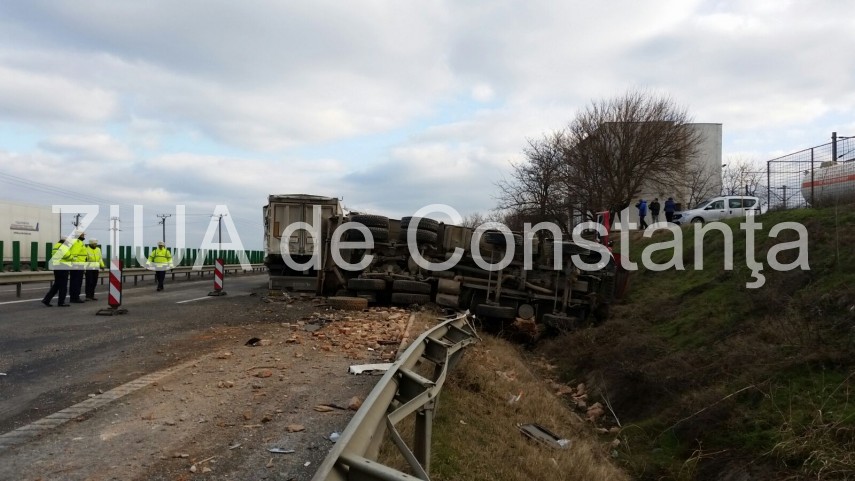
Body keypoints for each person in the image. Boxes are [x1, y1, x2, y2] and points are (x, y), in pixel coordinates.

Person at [42, 237, 74, 307]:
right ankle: (61, 302)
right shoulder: (63, 246)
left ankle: (46, 299)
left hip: (57, 266)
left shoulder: (56, 245)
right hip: (63, 267)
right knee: (63, 286)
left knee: (57, 284)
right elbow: (67, 255)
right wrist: (72, 257)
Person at [67, 231, 88, 303]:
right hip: (77, 265)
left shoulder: (78, 241)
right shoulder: (77, 242)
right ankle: (75, 297)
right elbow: (74, 253)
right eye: (82, 235)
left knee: (75, 281)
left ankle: (74, 297)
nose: (84, 236)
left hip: (78, 264)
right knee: (77, 282)